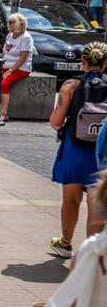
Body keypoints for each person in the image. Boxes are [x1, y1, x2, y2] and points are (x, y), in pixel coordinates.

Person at [49, 42, 107, 259]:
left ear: (82, 62)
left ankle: (65, 244)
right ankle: (92, 254)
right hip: (102, 152)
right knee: (96, 202)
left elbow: (55, 121)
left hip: (75, 148)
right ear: (105, 63)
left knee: (71, 200)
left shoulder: (71, 86)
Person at [0, 12, 34, 123]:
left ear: (18, 24)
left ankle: (4, 112)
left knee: (4, 83)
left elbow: (23, 58)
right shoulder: (9, 36)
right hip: (6, 65)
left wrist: (9, 71)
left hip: (20, 68)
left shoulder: (26, 38)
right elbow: (4, 53)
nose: (8, 24)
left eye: (10, 23)